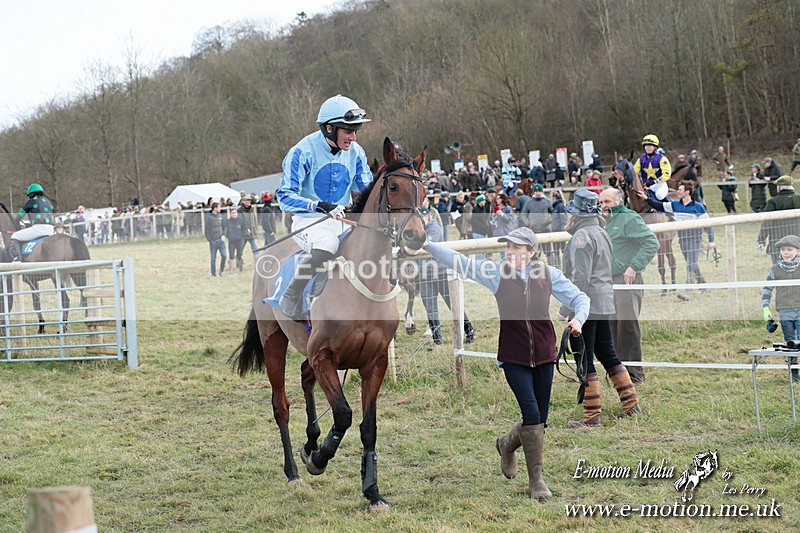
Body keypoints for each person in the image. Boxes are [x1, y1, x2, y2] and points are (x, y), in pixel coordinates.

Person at [424, 226, 589, 499]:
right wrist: (428, 244)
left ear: (531, 252)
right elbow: (460, 262)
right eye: (508, 246)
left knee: (540, 419)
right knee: (533, 415)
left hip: (546, 354)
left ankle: (506, 444)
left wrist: (578, 319)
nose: (509, 252)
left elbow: (580, 297)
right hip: (513, 357)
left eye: (516, 247)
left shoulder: (548, 274)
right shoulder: (496, 273)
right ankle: (536, 480)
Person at [276, 94, 372, 319]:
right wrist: (319, 205)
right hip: (307, 221)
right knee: (328, 244)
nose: (354, 138)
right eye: (349, 131)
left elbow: (368, 189)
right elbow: (284, 197)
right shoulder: (301, 152)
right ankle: (291, 294)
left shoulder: (357, 153)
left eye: (356, 131)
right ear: (329, 129)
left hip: (341, 219)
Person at [560, 189, 643, 426]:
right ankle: (631, 403)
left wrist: (567, 307)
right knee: (607, 352)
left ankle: (591, 416)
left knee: (584, 356)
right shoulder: (601, 231)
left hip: (587, 304)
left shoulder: (581, 237)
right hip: (604, 301)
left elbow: (580, 278)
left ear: (575, 214)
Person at [598, 187, 659, 384]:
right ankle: (617, 373)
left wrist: (634, 266)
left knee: (627, 326)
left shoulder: (629, 219)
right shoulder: (604, 221)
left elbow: (651, 242)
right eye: (600, 203)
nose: (603, 206)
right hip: (608, 282)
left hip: (626, 280)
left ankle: (634, 374)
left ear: (618, 201)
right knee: (610, 327)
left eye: (606, 202)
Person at [414, 208, 475, 346]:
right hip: (424, 275)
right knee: (430, 307)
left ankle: (469, 330)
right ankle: (437, 340)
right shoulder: (415, 231)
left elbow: (427, 244)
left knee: (453, 304)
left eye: (422, 217)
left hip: (441, 272)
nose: (420, 220)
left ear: (427, 217)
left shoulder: (433, 227)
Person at [641, 181, 715, 286]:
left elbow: (707, 224)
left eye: (680, 190)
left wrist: (711, 240)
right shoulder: (675, 205)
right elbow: (659, 206)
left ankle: (687, 290)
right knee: (691, 263)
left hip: (695, 239)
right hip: (682, 239)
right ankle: (703, 284)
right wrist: (646, 198)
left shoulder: (698, 207)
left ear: (687, 192)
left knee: (691, 263)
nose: (677, 192)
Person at [762, 234, 800, 382]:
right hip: (785, 311)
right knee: (790, 342)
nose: (786, 252)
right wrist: (765, 307)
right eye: (783, 249)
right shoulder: (775, 269)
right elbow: (767, 288)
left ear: (798, 251)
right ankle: (794, 374)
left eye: (789, 249)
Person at [758, 176, 800, 264]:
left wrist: (761, 239)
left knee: (778, 268)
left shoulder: (773, 202)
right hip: (797, 240)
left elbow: (767, 222)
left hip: (777, 241)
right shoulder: (798, 199)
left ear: (779, 187)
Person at [9, 183, 56, 261]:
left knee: (14, 236)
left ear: (30, 194)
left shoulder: (31, 202)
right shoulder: (48, 202)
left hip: (39, 229)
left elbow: (18, 218)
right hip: (51, 230)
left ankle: (18, 259)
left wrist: (17, 227)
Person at [633, 134, 672, 202]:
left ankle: (668, 209)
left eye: (650, 145)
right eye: (646, 145)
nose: (647, 147)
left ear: (655, 147)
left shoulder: (662, 159)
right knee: (630, 198)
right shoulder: (641, 160)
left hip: (660, 185)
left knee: (659, 196)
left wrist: (653, 182)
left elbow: (666, 175)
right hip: (646, 186)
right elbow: (634, 172)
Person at [204, 202, 227, 277]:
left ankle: (222, 270)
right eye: (219, 207)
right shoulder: (208, 217)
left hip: (221, 240)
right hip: (213, 241)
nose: (220, 209)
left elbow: (225, 227)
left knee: (224, 255)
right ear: (215, 208)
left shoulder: (221, 216)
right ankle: (213, 274)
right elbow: (206, 230)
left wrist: (224, 235)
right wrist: (210, 239)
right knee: (213, 258)